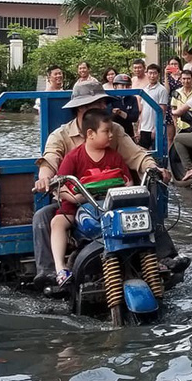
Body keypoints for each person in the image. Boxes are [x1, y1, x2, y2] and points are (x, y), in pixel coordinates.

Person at [31, 80, 173, 284]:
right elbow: (50, 158)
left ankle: (164, 256)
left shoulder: (112, 131)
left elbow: (136, 154)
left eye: (103, 103)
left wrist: (153, 168)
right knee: (42, 217)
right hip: (78, 199)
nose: (103, 108)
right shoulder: (61, 135)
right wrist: (45, 177)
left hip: (112, 198)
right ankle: (50, 272)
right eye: (98, 104)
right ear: (82, 108)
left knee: (146, 200)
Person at [49, 109, 132, 287]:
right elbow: (59, 186)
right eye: (106, 131)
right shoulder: (74, 157)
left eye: (111, 131)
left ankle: (154, 258)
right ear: (90, 134)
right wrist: (74, 197)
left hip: (111, 205)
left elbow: (128, 182)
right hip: (81, 203)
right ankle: (60, 269)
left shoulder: (114, 156)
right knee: (57, 223)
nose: (111, 135)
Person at [136, 63, 170, 149]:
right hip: (144, 128)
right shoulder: (144, 90)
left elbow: (162, 110)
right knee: (142, 153)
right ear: (146, 74)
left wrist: (156, 128)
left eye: (154, 73)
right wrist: (139, 127)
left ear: (158, 74)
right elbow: (142, 110)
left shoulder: (162, 90)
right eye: (150, 73)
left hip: (154, 129)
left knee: (156, 155)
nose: (152, 76)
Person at [170, 68, 192, 132]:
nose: (186, 81)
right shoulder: (177, 92)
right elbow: (173, 109)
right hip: (180, 127)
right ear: (180, 80)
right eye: (184, 79)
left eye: (188, 79)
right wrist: (176, 125)